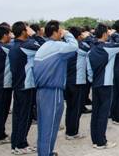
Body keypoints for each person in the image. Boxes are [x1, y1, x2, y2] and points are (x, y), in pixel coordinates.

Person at [33, 20, 78, 156]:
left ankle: (45, 151)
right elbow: (74, 46)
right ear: (55, 32)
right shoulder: (58, 46)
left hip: (41, 91)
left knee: (43, 125)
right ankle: (46, 153)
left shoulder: (43, 47)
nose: (61, 33)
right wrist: (68, 34)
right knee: (51, 125)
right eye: (60, 31)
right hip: (53, 90)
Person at [87, 24, 119, 149]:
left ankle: (95, 140)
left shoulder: (91, 50)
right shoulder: (107, 48)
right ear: (104, 34)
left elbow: (89, 71)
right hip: (106, 83)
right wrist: (115, 34)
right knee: (103, 114)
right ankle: (101, 142)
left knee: (95, 113)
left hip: (95, 84)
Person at [9, 22, 40, 155]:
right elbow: (45, 46)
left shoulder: (14, 45)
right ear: (23, 32)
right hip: (26, 85)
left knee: (18, 116)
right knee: (24, 116)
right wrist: (35, 34)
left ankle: (17, 143)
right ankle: (20, 144)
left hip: (18, 85)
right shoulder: (25, 45)